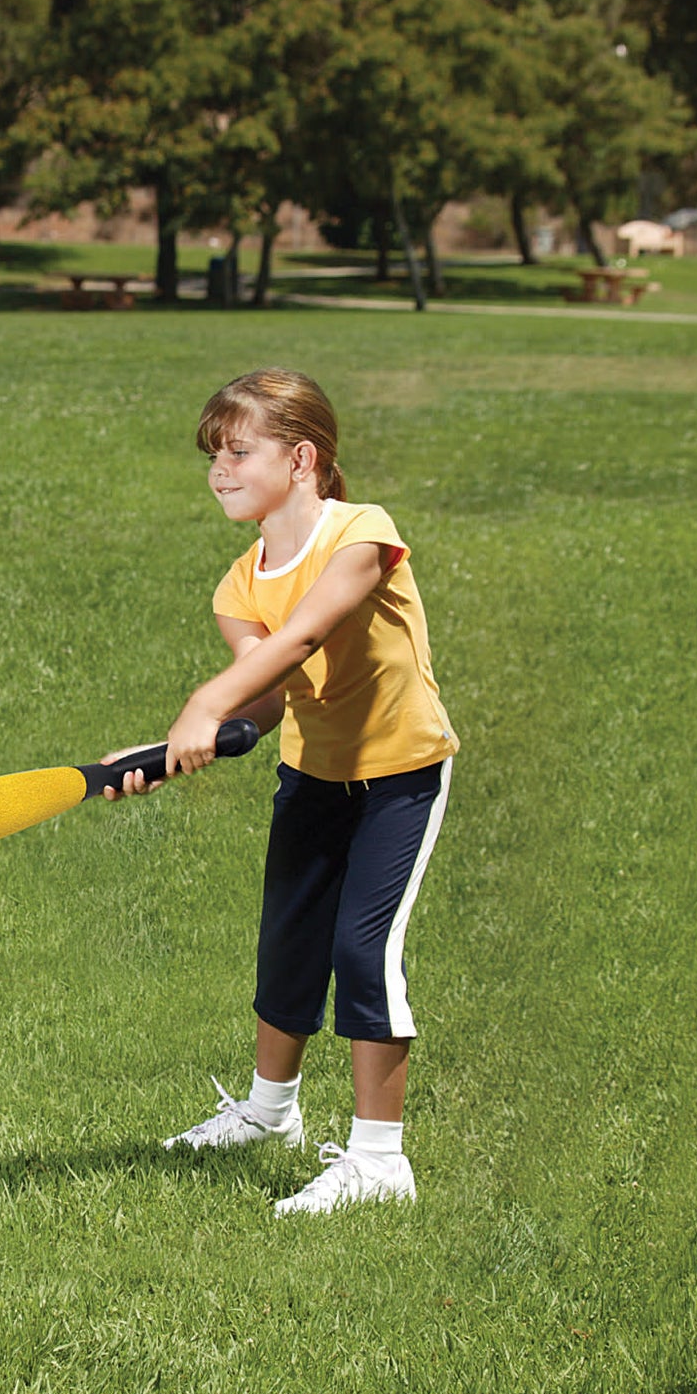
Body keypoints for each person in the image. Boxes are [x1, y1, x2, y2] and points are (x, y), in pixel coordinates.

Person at [102, 369, 457, 1213]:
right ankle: (269, 1116)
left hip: (401, 775)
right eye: (211, 455)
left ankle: (379, 1164)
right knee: (288, 945)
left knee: (361, 952)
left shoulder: (362, 533)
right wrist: (167, 750)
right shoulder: (239, 584)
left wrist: (202, 704)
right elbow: (263, 698)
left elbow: (303, 638)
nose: (218, 468)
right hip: (314, 774)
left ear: (303, 459)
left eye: (238, 450)